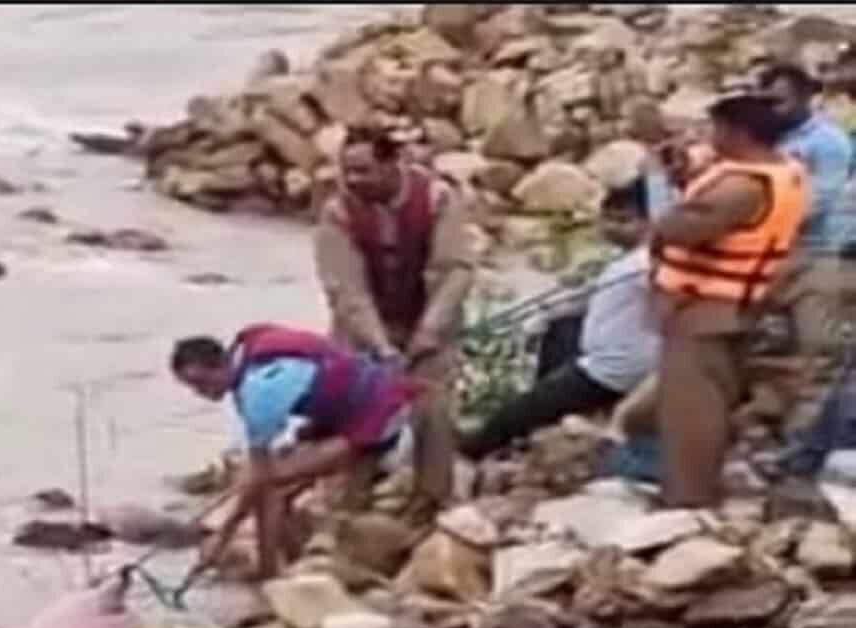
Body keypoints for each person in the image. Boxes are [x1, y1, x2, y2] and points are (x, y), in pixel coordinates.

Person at [646, 92, 809, 508]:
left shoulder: (740, 187)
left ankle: (689, 498)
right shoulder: (782, 172)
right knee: (708, 398)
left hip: (703, 311)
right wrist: (687, 176)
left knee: (692, 408)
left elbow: (676, 227)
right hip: (732, 308)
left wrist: (658, 184)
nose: (710, 137)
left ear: (738, 133)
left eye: (716, 128)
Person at [170, 323, 422, 581]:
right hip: (369, 392)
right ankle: (291, 555)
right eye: (193, 387)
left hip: (381, 415)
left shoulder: (260, 393)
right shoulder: (253, 342)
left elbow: (260, 477)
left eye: (201, 383)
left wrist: (224, 534)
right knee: (274, 471)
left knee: (270, 485)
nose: (200, 393)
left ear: (220, 364)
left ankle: (269, 574)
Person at [313, 128, 476, 518]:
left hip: (429, 315)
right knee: (356, 404)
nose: (352, 180)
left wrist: (430, 329)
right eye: (347, 171)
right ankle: (348, 502)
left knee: (432, 407)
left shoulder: (437, 198)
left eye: (363, 170)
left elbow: (456, 269)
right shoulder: (337, 213)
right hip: (364, 323)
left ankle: (431, 500)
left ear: (392, 164)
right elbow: (345, 289)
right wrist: (381, 346)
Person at [460, 178, 657, 459]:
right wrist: (539, 314)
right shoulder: (627, 260)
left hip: (613, 369)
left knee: (518, 413)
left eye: (624, 221)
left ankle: (475, 449)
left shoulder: (645, 263)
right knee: (560, 327)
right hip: (601, 353)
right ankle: (548, 408)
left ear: (651, 222)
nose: (612, 228)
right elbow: (581, 298)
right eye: (608, 220)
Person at [759, 63, 854, 353]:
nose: (772, 110)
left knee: (819, 344)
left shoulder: (828, 141)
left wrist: (763, 219)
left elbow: (820, 197)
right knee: (777, 348)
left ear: (804, 98)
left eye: (780, 101)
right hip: (774, 251)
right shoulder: (771, 137)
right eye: (767, 102)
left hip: (815, 249)